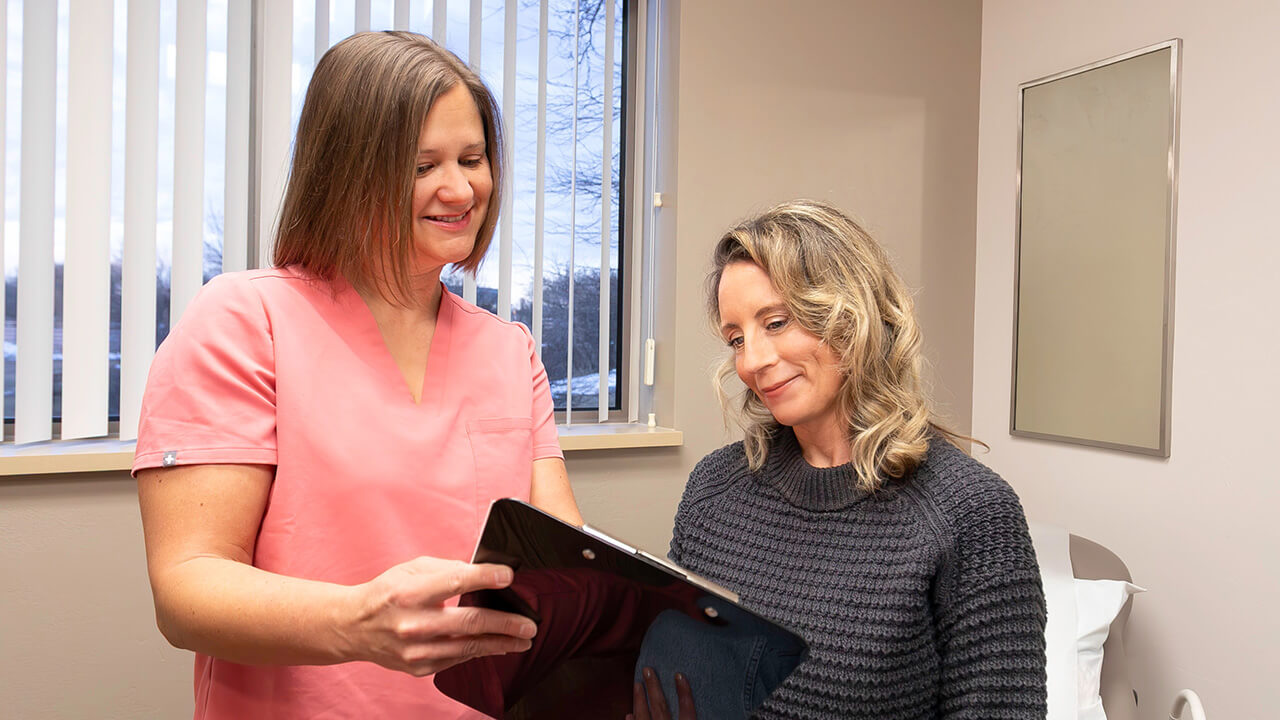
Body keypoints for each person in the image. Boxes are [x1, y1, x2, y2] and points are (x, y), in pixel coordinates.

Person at [133, 31, 582, 719]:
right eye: (422, 164)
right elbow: (187, 590)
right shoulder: (245, 320)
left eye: (472, 158)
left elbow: (563, 573)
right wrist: (357, 620)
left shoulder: (509, 350)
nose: (460, 188)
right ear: (348, 171)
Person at [665, 200, 1047, 719]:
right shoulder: (714, 489)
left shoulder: (971, 514)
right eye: (737, 339)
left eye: (776, 322)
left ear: (852, 317)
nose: (751, 362)